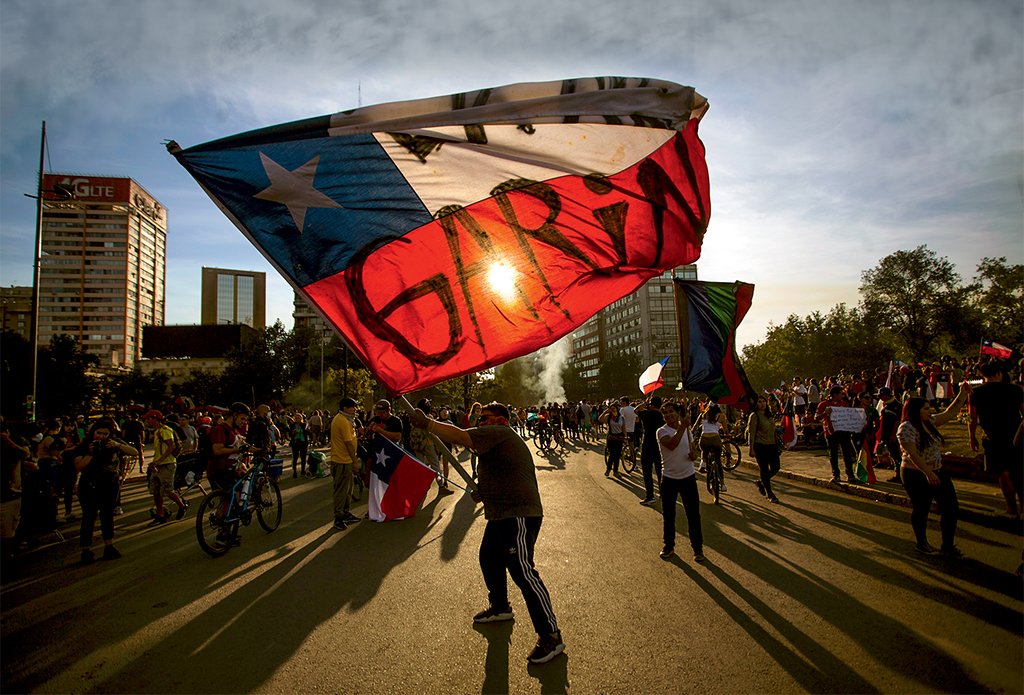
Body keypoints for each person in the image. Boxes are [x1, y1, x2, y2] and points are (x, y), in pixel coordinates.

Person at [410, 402, 564, 665]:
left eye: (485, 418)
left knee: (523, 571)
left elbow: (459, 436)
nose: (480, 423)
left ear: (501, 421)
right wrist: (484, 489)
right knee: (489, 558)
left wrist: (426, 423)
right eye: (479, 418)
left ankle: (551, 635)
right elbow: (503, 472)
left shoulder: (501, 433)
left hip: (518, 514)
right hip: (500, 513)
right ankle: (501, 606)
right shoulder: (495, 441)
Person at [897, 386, 970, 556]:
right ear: (915, 411)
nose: (930, 411)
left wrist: (963, 393)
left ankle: (948, 546)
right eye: (926, 408)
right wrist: (928, 473)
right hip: (915, 474)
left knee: (951, 508)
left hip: (937, 470)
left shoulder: (930, 423)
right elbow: (912, 454)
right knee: (922, 508)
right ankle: (922, 543)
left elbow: (951, 413)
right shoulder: (906, 427)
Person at [74, 418, 137, 564]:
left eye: (105, 434)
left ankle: (109, 546)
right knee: (88, 516)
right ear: (93, 432)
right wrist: (90, 453)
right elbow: (79, 466)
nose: (101, 436)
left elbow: (133, 451)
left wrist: (118, 446)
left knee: (107, 515)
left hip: (109, 483)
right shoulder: (84, 445)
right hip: (90, 483)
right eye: (98, 433)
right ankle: (86, 550)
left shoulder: (113, 443)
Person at [969, 362, 1024, 518]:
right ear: (999, 373)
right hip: (1015, 434)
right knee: (1019, 471)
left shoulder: (976, 392)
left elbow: (972, 419)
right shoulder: (1015, 390)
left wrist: (972, 437)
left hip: (992, 435)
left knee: (1003, 472)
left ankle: (1011, 508)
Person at [657, 402, 704, 562]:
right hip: (669, 479)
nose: (668, 415)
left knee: (693, 515)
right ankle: (668, 546)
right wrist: (683, 427)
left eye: (671, 412)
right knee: (669, 515)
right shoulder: (662, 431)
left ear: (677, 413)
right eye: (665, 413)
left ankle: (698, 548)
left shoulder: (687, 430)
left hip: (688, 478)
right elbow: (671, 445)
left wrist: (694, 455)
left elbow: (692, 450)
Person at [144, 410, 187, 523]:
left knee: (168, 490)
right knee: (156, 491)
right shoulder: (157, 431)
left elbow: (171, 446)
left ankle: (182, 506)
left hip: (167, 464)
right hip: (158, 464)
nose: (147, 421)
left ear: (155, 418)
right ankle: (160, 514)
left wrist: (158, 461)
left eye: (149, 418)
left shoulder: (165, 430)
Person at [408, 398, 453, 495]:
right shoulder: (428, 417)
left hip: (417, 444)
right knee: (436, 466)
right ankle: (441, 486)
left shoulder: (413, 417)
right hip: (428, 444)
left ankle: (423, 486)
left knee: (421, 467)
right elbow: (433, 433)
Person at [330, 398, 361, 530]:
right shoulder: (342, 421)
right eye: (352, 407)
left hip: (346, 460)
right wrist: (355, 461)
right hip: (341, 460)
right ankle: (338, 517)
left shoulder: (347, 420)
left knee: (348, 489)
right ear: (344, 408)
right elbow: (348, 443)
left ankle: (345, 513)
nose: (355, 409)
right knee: (342, 491)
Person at [817, 386, 857, 484]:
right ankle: (836, 474)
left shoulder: (845, 404)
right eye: (840, 394)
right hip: (831, 432)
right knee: (833, 454)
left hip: (843, 431)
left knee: (847, 453)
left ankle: (850, 475)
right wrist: (825, 413)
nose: (842, 396)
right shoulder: (824, 404)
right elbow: (816, 417)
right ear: (834, 395)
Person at [747, 395, 781, 503]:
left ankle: (761, 482)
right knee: (764, 469)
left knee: (776, 467)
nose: (762, 404)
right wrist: (751, 448)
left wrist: (778, 445)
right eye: (759, 402)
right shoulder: (754, 416)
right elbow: (751, 433)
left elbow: (773, 430)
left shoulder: (769, 415)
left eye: (763, 401)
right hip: (760, 445)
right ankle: (770, 494)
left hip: (772, 445)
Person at [635, 396, 665, 505]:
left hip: (647, 445)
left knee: (647, 472)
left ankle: (650, 496)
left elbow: (636, 410)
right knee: (660, 471)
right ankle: (664, 492)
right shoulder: (663, 415)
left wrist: (644, 403)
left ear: (651, 405)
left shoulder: (647, 414)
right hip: (660, 446)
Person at [874, 387, 903, 483]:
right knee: (892, 454)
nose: (881, 398)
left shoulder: (896, 406)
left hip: (893, 435)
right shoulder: (886, 405)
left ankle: (899, 474)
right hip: (886, 434)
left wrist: (893, 435)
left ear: (887, 395)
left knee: (896, 455)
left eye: (881, 396)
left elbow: (897, 422)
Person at [699, 403, 728, 492]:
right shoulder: (721, 416)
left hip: (704, 438)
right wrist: (727, 434)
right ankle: (723, 484)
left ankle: (703, 462)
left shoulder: (704, 414)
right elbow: (725, 429)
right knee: (718, 461)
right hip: (716, 439)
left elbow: (696, 425)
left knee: (705, 450)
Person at [598, 402, 626, 477]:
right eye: (611, 408)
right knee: (612, 454)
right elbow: (600, 419)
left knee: (617, 455)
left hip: (619, 438)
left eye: (614, 408)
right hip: (611, 438)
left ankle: (615, 471)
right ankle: (608, 469)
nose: (613, 409)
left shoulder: (621, 418)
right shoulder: (608, 417)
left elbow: (623, 428)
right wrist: (605, 412)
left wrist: (625, 437)